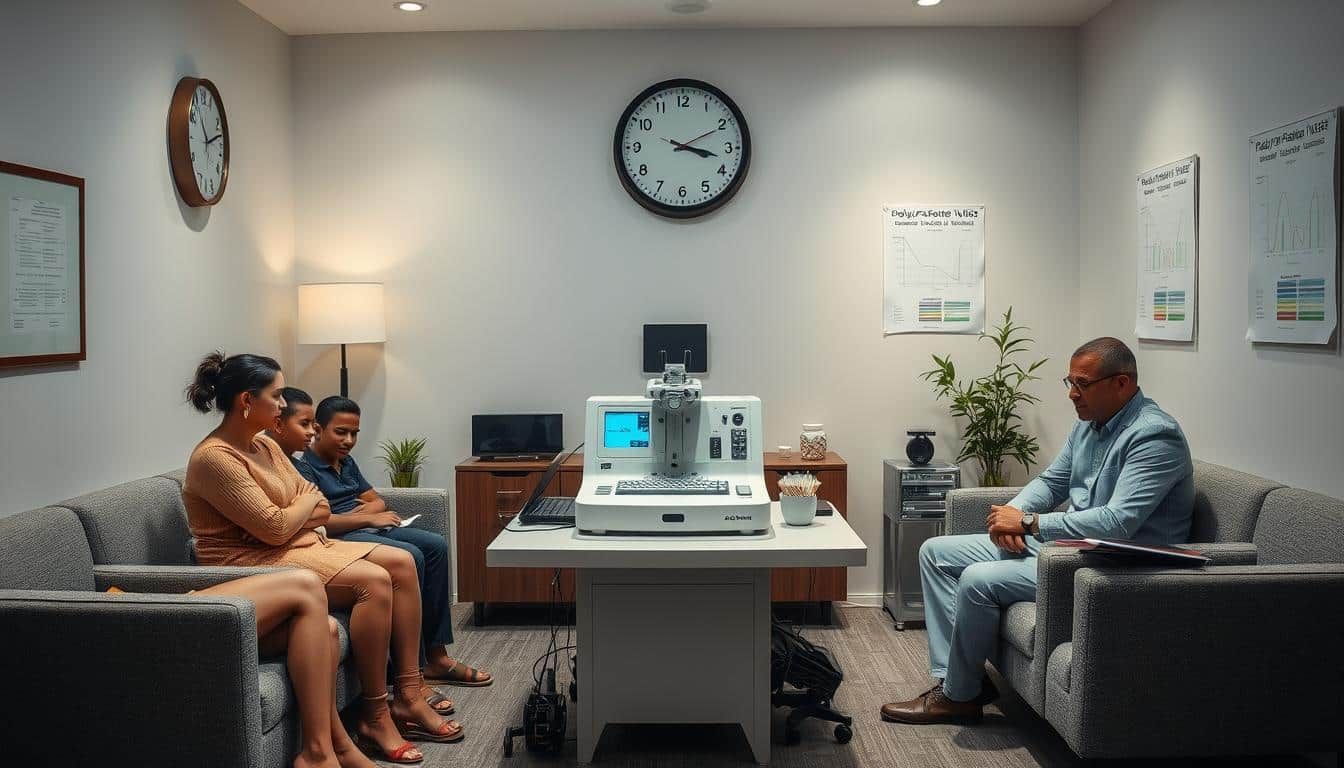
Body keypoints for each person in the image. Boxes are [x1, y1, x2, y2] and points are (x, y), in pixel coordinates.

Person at [881, 337, 1195, 725]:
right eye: (1070, 382)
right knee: (936, 552)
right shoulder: (1089, 425)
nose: (1072, 395)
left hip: (1113, 565)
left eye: (1083, 384)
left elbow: (1118, 524)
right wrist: (1014, 511)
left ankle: (957, 697)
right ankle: (961, 682)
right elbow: (1051, 482)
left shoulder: (1153, 436)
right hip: (1068, 549)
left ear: (1122, 384)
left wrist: (1030, 524)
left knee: (978, 579)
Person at [182, 352, 461, 764]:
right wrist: (297, 511)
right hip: (251, 565)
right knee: (375, 581)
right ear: (246, 401)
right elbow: (276, 525)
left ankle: (409, 690)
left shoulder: (263, 446)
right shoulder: (215, 458)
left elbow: (320, 507)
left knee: (401, 563)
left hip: (292, 548)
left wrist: (295, 512)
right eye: (276, 396)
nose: (282, 405)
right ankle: (375, 712)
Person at [293, 395, 493, 692]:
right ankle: (409, 666)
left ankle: (437, 656)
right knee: (411, 555)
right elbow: (320, 522)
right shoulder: (304, 468)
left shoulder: (346, 462)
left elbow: (377, 501)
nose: (349, 440)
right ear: (318, 429)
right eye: (340, 432)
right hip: (339, 539)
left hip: (362, 528)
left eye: (354, 433)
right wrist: (365, 518)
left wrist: (363, 513)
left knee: (435, 545)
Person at [184, 571, 380, 768]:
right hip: (173, 611)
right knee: (307, 583)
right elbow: (277, 539)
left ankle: (336, 746)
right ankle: (319, 754)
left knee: (326, 630)